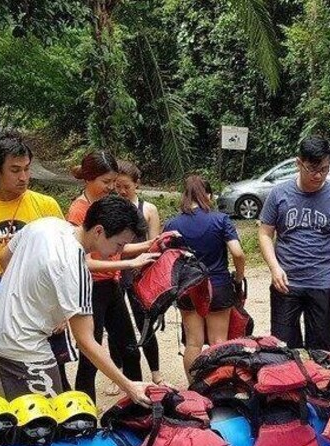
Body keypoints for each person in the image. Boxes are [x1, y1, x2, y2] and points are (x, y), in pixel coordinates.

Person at [0, 196, 152, 406]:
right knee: (46, 424)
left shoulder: (47, 224)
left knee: (3, 419)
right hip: (24, 349)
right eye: (119, 244)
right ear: (98, 231)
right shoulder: (75, 265)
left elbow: (4, 257)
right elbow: (86, 342)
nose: (119, 251)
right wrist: (129, 386)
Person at [0, 132, 65, 391]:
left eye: (27, 169)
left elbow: (63, 259)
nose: (23, 177)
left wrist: (62, 311)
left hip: (40, 308)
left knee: (49, 374)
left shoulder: (46, 205)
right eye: (15, 170)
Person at [66, 151, 158, 401]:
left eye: (114, 183)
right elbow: (82, 260)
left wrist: (151, 245)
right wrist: (131, 262)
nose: (111, 188)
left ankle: (139, 406)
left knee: (130, 349)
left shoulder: (106, 205)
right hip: (90, 290)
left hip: (111, 285)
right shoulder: (79, 210)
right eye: (106, 183)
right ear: (88, 179)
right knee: (89, 359)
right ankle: (86, 416)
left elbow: (116, 244)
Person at [258, 136, 330, 352]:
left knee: (325, 350)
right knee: (283, 350)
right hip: (286, 284)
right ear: (298, 163)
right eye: (312, 169)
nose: (319, 175)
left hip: (324, 283)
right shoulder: (279, 194)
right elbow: (265, 233)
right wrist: (275, 268)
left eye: (325, 169)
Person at [165, 175, 246, 376]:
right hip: (218, 285)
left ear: (184, 196)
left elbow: (166, 259)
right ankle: (217, 387)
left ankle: (194, 387)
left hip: (187, 287)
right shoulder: (220, 220)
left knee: (193, 342)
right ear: (207, 195)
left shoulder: (172, 224)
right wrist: (238, 277)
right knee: (218, 342)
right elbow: (238, 253)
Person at [114, 160, 162, 385]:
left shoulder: (148, 209)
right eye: (118, 186)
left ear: (137, 184)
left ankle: (155, 372)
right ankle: (119, 372)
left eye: (126, 186)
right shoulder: (111, 207)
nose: (122, 191)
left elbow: (155, 244)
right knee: (116, 326)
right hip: (116, 272)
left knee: (146, 323)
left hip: (140, 274)